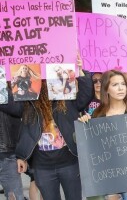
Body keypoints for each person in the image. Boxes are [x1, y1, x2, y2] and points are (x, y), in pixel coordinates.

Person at [5, 55, 93, 200]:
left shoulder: (66, 98)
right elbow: (7, 103)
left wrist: (80, 70)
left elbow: (85, 95)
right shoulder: (28, 103)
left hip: (70, 163)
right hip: (42, 167)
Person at [79, 70, 127, 200]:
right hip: (110, 177)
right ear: (106, 89)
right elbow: (93, 148)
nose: (120, 88)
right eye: (115, 85)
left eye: (123, 84)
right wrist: (84, 125)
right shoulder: (98, 114)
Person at [0, 86, 24, 199]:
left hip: (6, 153)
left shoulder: (6, 84)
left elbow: (19, 110)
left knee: (15, 196)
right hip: (7, 152)